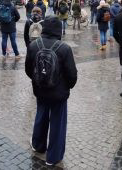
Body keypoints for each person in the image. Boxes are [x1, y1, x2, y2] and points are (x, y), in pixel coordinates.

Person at [25, 16, 78, 166]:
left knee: (40, 116)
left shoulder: (34, 45)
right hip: (58, 93)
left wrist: (38, 80)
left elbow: (29, 69)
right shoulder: (65, 48)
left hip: (40, 90)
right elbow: (72, 74)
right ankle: (53, 157)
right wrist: (66, 86)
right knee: (58, 123)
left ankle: (37, 144)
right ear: (59, 30)